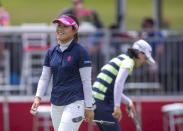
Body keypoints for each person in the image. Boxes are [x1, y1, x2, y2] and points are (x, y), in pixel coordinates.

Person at [30, 14, 94, 131]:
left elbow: (86, 81)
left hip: (75, 102)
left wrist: (89, 107)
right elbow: (45, 78)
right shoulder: (51, 52)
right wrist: (38, 97)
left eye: (65, 26)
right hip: (56, 102)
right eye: (59, 25)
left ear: (74, 31)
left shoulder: (81, 52)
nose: (60, 29)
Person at [92, 39, 155, 131]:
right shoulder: (128, 62)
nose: (144, 62)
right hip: (103, 103)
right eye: (145, 58)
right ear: (139, 53)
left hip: (96, 103)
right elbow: (119, 83)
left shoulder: (121, 58)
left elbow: (112, 88)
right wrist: (117, 106)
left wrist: (128, 101)